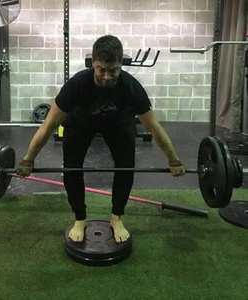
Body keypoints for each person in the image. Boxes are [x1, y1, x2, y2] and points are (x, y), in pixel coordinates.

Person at [17, 35, 185, 244]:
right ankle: (80, 218)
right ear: (93, 64)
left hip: (118, 123)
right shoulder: (77, 85)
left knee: (126, 166)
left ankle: (117, 217)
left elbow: (154, 127)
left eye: (112, 70)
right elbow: (48, 125)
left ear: (121, 64)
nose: (107, 76)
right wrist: (28, 160)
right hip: (81, 121)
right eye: (101, 70)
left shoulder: (131, 87)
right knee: (71, 167)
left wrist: (174, 160)